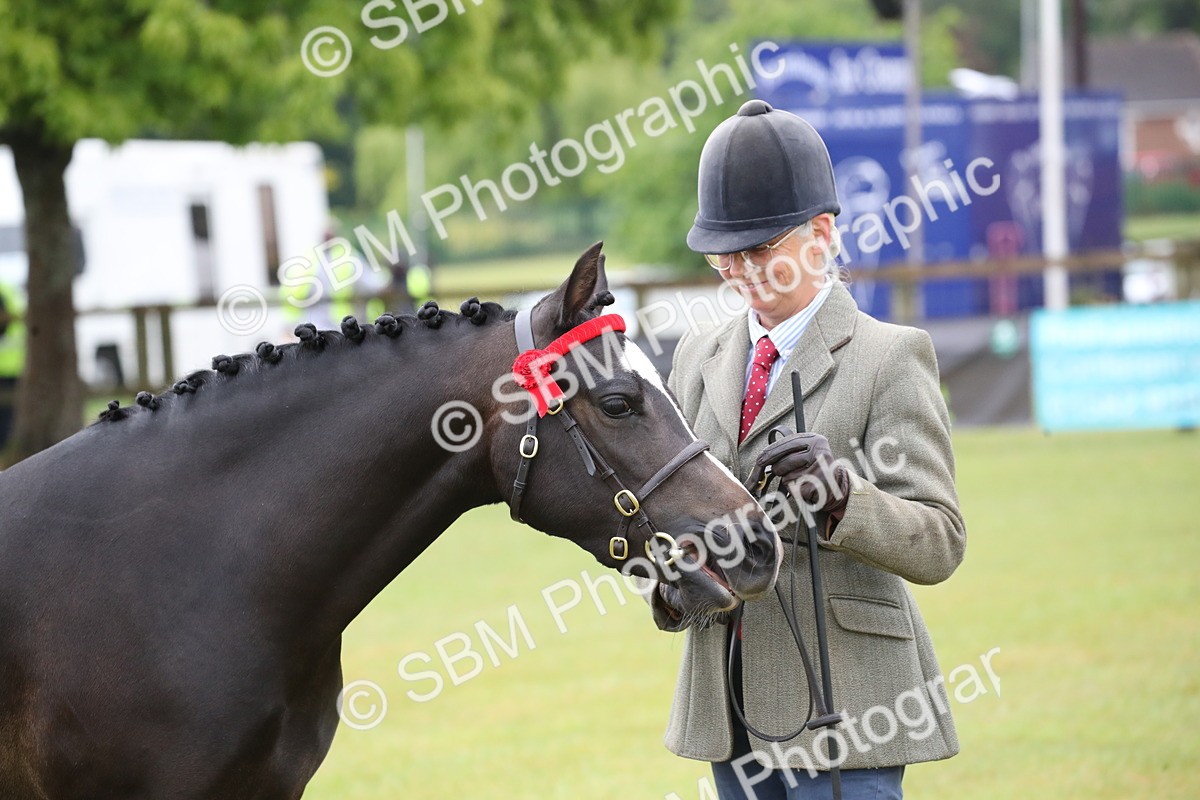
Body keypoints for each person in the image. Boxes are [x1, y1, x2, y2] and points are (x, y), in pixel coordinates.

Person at [647, 100, 966, 800]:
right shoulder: (695, 358)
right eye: (725, 252)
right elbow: (677, 515)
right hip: (727, 704)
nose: (739, 269)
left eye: (762, 248)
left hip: (848, 707)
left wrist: (846, 499)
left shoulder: (892, 357)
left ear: (821, 235)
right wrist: (667, 578)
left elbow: (941, 541)